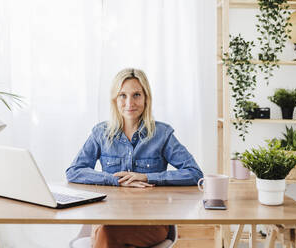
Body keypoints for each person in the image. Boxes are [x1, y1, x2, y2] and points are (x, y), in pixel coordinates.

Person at [66, 68, 203, 248]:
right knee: (106, 231)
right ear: (115, 100)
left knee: (105, 233)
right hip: (110, 217)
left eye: (136, 95)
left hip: (152, 221)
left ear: (146, 98)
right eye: (122, 95)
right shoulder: (101, 133)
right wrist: (115, 180)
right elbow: (74, 172)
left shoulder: (162, 134)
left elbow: (195, 173)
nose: (129, 102)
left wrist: (147, 177)